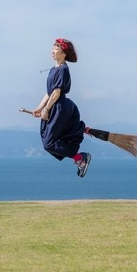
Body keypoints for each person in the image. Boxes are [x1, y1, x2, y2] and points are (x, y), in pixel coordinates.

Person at [32, 38, 91, 177]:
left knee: (49, 143)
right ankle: (79, 158)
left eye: (55, 49)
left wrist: (46, 109)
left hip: (59, 108)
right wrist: (39, 108)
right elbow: (49, 92)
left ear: (63, 53)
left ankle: (80, 157)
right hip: (52, 106)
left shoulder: (63, 69)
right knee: (46, 141)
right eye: (52, 48)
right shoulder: (53, 69)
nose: (52, 51)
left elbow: (56, 93)